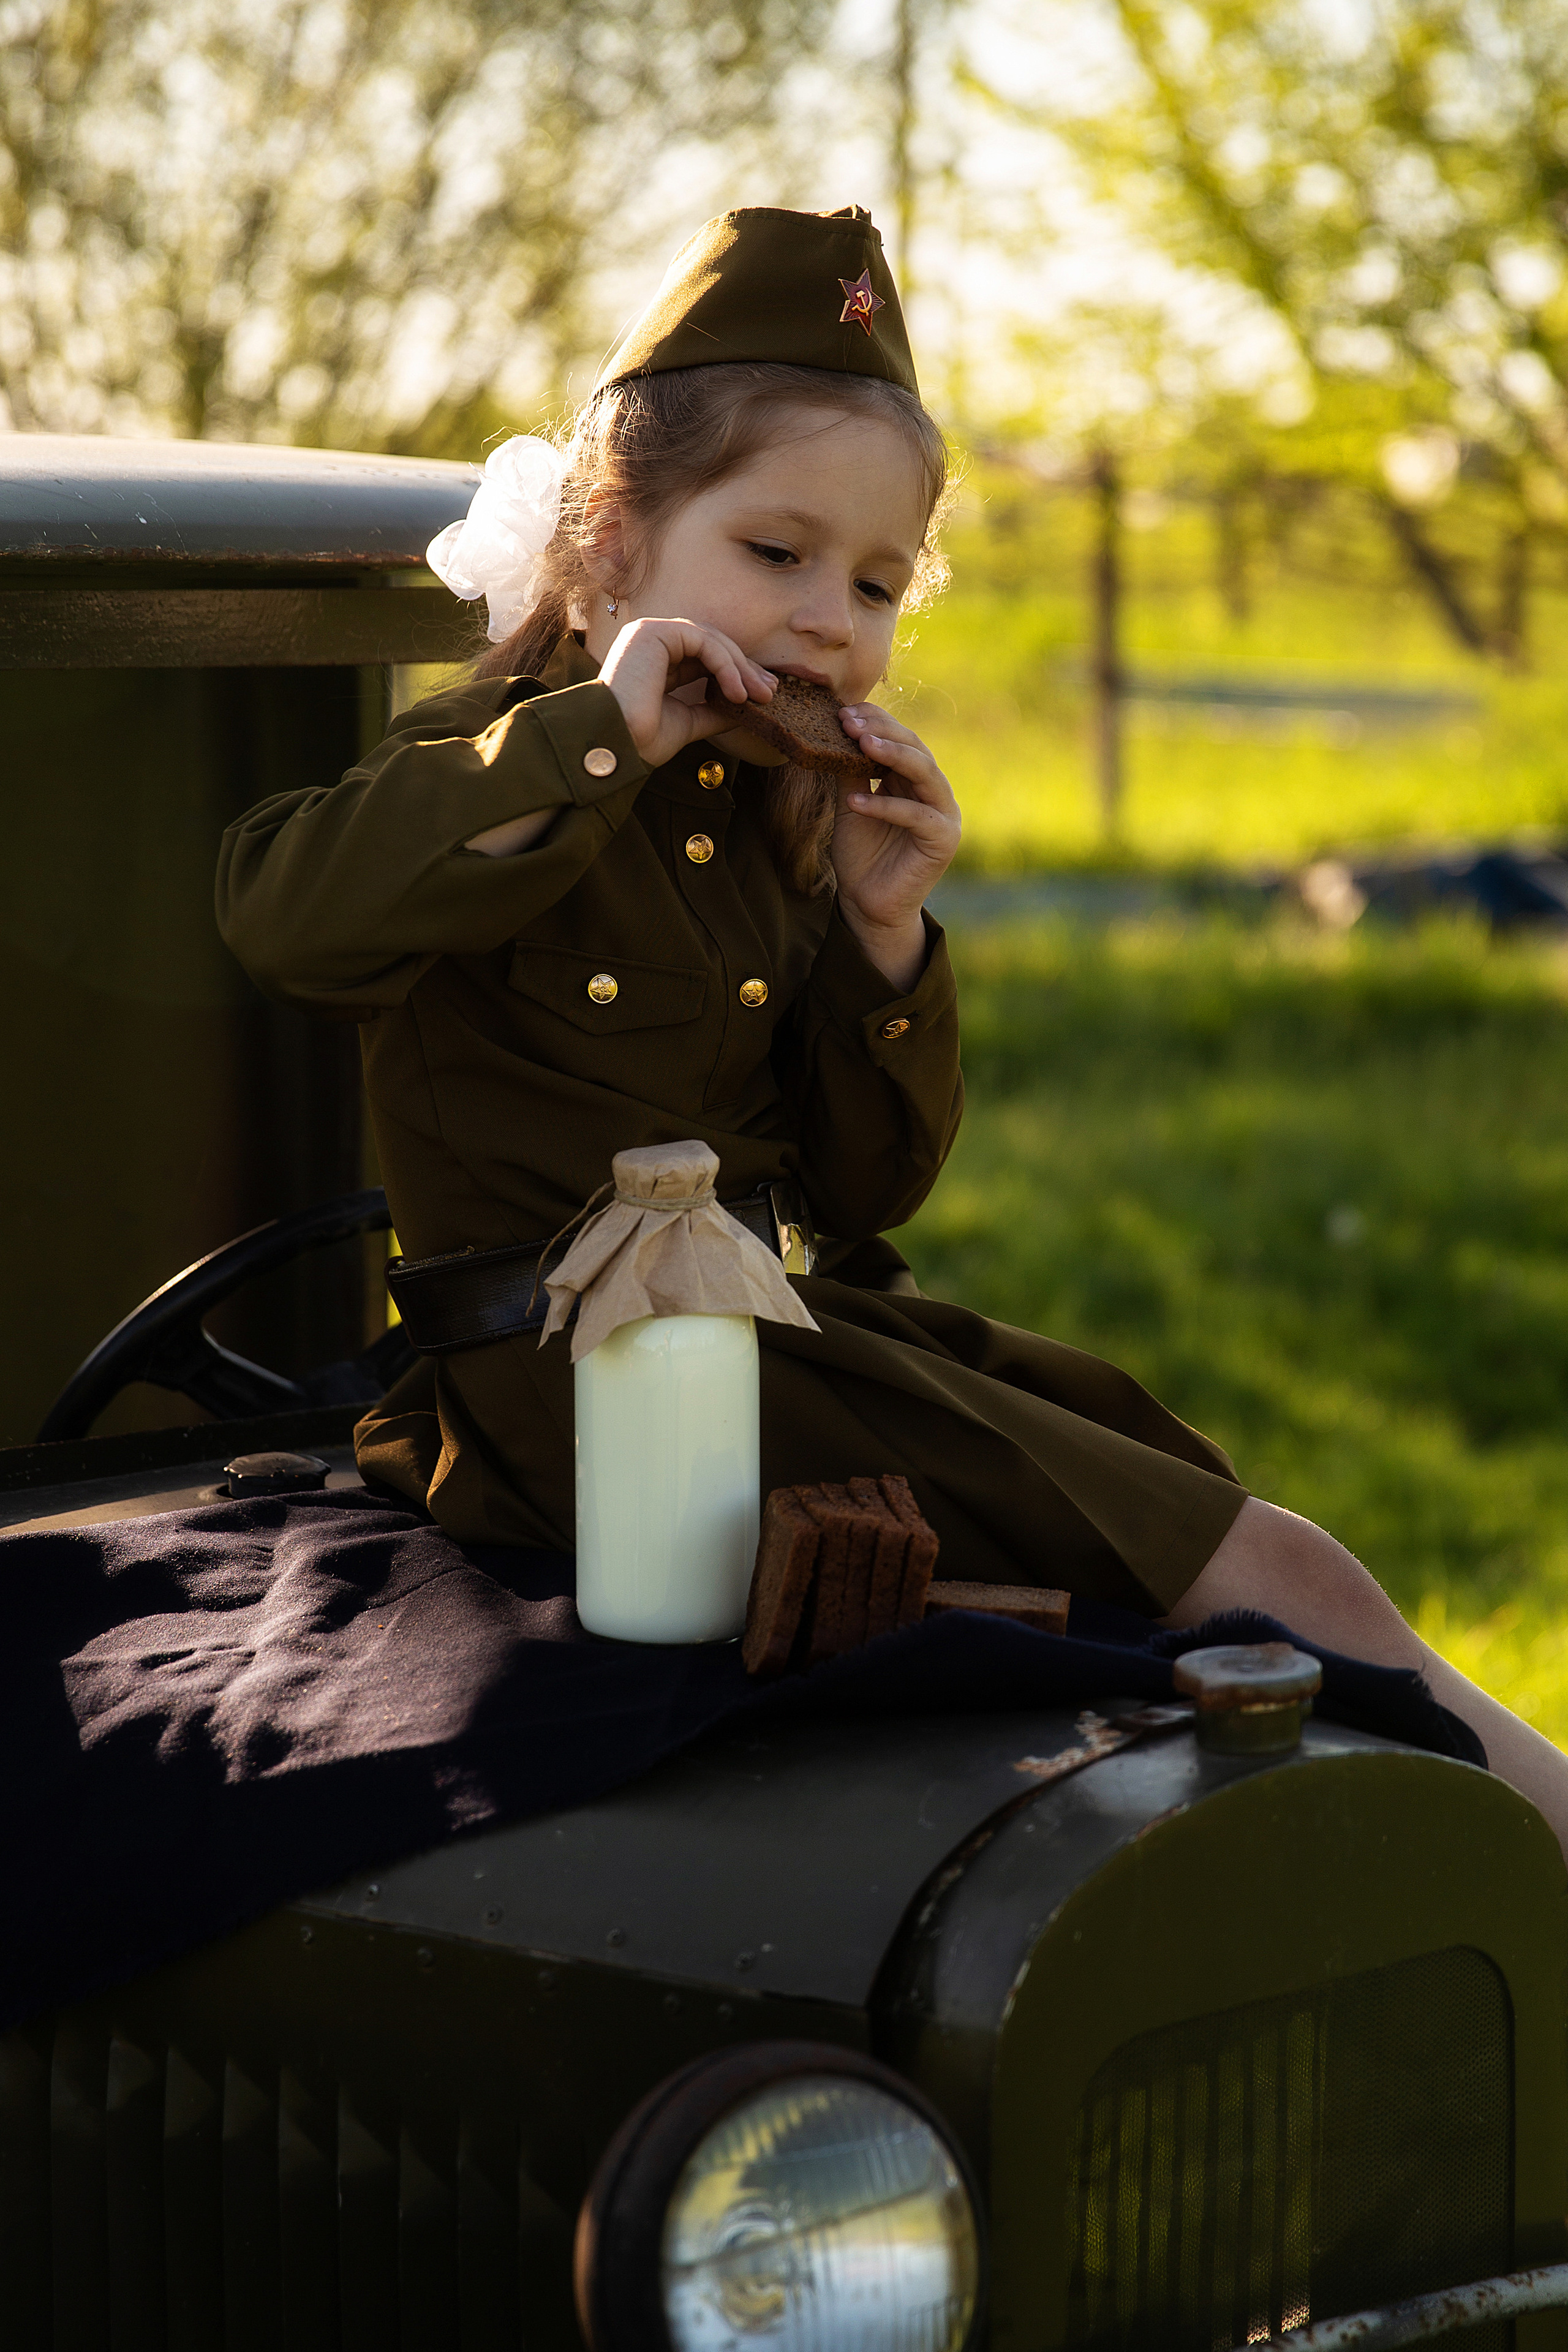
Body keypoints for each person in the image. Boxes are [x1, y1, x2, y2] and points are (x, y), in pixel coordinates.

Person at [217, 204, 1568, 1856]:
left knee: (1209, 1513)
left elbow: (865, 1196)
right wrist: (594, 742)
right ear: (611, 533)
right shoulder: (503, 771)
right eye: (774, 555)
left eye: (873, 582)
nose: (826, 619)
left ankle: (1451, 1874)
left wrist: (884, 934)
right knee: (1272, 1573)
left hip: (798, 1333)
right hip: (603, 1393)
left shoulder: (778, 812)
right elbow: (285, 916)